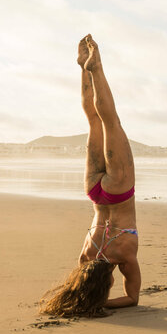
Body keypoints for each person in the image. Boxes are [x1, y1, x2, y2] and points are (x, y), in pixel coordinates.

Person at [40, 34, 141, 317]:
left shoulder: (124, 255)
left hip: (118, 193)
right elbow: (93, 278)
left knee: (111, 121)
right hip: (95, 192)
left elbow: (132, 298)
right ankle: (84, 68)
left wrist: (105, 303)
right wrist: (94, 300)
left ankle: (95, 68)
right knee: (93, 121)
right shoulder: (86, 256)